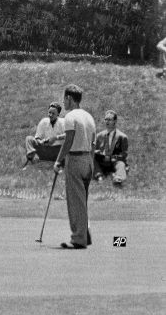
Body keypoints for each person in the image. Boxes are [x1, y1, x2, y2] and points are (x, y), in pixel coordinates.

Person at [53, 84, 96, 249]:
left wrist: (58, 161)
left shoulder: (70, 117)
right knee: (82, 200)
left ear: (69, 98)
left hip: (76, 160)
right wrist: (92, 163)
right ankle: (86, 234)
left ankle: (79, 239)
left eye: (64, 99)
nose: (63, 102)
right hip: (87, 160)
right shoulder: (88, 117)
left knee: (75, 201)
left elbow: (69, 140)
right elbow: (92, 142)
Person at [24, 102, 65, 168]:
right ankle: (31, 154)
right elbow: (37, 137)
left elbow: (69, 135)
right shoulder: (44, 121)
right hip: (45, 150)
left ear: (58, 114)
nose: (50, 115)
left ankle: (59, 161)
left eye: (53, 113)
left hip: (57, 151)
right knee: (29, 138)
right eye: (49, 112)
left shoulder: (63, 122)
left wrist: (56, 138)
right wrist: (41, 142)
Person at [93, 110, 129, 186]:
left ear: (115, 121)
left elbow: (124, 154)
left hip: (114, 161)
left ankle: (118, 179)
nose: (107, 121)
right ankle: (99, 176)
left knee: (121, 164)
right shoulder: (99, 135)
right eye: (106, 119)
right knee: (91, 159)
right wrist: (97, 152)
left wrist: (113, 157)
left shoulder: (122, 137)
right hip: (102, 161)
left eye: (109, 119)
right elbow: (93, 149)